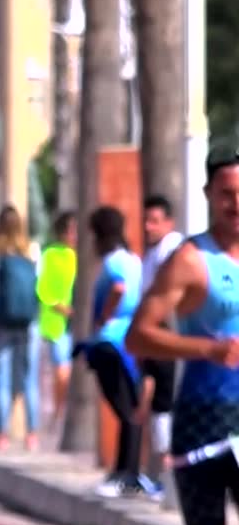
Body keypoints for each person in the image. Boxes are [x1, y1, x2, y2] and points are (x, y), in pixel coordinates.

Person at [125, 142, 239, 525]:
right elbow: (138, 336)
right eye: (227, 194)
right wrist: (207, 348)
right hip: (204, 419)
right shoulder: (190, 260)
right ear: (209, 194)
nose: (236, 204)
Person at [74, 206, 149, 498]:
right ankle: (126, 470)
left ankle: (125, 474)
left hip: (110, 342)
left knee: (125, 410)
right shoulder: (134, 260)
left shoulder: (112, 261)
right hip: (130, 343)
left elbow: (118, 289)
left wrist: (105, 317)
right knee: (131, 408)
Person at [135, 195, 184, 492]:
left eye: (154, 221)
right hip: (155, 338)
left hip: (169, 338)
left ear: (169, 222)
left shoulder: (172, 249)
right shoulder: (153, 253)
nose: (148, 227)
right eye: (146, 220)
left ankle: (167, 475)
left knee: (163, 405)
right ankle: (158, 473)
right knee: (155, 406)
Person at [0, 205, 41, 451]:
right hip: (29, 323)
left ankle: (2, 435)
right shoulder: (33, 251)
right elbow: (39, 286)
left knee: (1, 380)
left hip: (1, 322)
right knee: (29, 380)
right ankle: (32, 436)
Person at [37, 211, 76, 431]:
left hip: (81, 323)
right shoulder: (51, 254)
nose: (73, 235)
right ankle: (59, 411)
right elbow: (43, 289)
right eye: (69, 230)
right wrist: (61, 307)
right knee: (62, 371)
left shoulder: (84, 255)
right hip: (59, 323)